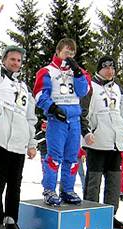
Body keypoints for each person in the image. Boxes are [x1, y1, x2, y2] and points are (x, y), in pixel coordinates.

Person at [0, 3, 37, 229]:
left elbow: (30, 117)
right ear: (4, 60)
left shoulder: (23, 88)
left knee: (15, 185)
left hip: (18, 142)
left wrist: (32, 141)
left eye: (19, 60)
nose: (16, 62)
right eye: (12, 59)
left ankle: (11, 222)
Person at [33, 37, 90, 206]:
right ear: (58, 52)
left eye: (72, 53)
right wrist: (52, 109)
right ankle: (49, 189)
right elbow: (39, 94)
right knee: (54, 157)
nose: (69, 56)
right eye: (66, 52)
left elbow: (83, 91)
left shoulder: (78, 71)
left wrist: (78, 73)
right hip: (57, 119)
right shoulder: (47, 71)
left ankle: (67, 189)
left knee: (72, 158)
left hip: (74, 119)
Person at [80, 55, 123, 229]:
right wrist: (86, 132)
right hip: (96, 141)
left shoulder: (118, 89)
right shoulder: (90, 87)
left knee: (114, 181)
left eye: (113, 68)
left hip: (116, 143)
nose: (110, 71)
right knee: (93, 182)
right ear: (99, 69)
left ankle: (110, 214)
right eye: (106, 67)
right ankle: (90, 214)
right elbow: (83, 112)